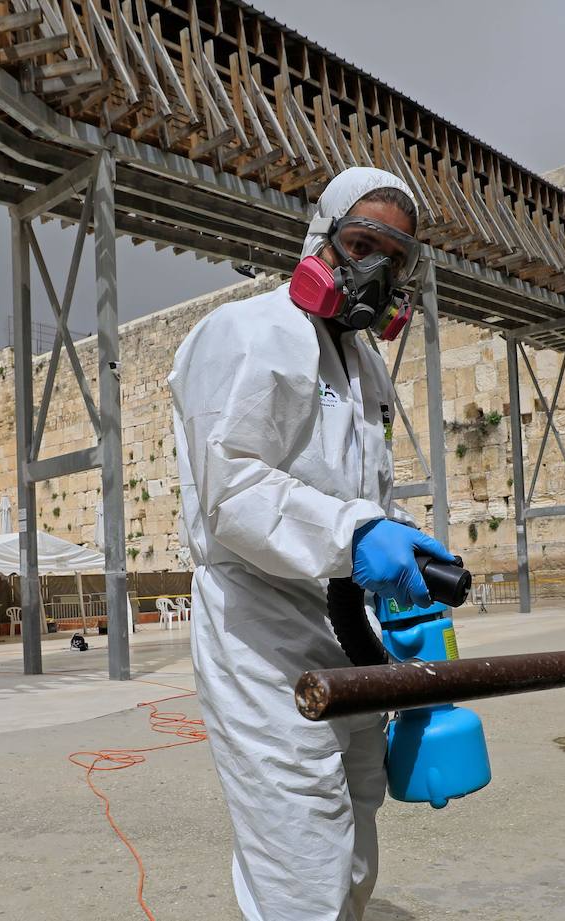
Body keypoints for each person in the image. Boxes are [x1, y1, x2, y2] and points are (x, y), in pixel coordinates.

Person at [169, 167, 456, 921]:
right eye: (362, 244)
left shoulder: (366, 371)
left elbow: (361, 502)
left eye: (394, 261)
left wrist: (400, 586)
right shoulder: (248, 333)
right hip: (263, 639)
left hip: (345, 631)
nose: (376, 273)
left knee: (356, 847)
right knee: (301, 860)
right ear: (320, 240)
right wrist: (356, 533)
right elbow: (230, 491)